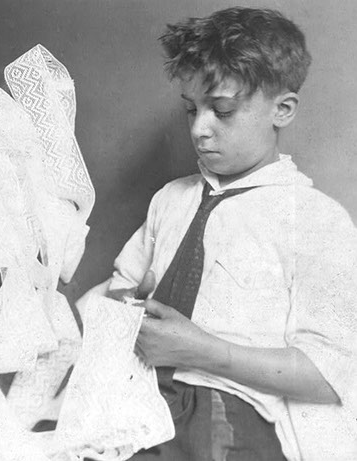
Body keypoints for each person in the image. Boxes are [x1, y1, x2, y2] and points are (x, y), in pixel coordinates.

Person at [80, 7, 357, 461]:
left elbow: (330, 376)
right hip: (138, 402)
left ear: (282, 110)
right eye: (191, 108)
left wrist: (201, 350)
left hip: (230, 411)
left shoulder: (315, 219)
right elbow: (121, 288)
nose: (198, 129)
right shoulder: (169, 200)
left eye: (222, 111)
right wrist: (126, 307)